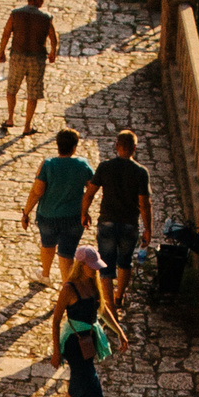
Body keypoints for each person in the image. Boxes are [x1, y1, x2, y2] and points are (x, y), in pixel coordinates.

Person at [47, 244, 120, 397]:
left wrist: (119, 332)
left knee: (77, 383)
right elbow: (56, 319)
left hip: (88, 341)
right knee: (88, 387)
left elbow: (103, 310)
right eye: (91, 266)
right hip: (73, 343)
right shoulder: (69, 288)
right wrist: (56, 351)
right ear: (81, 265)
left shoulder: (93, 283)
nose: (95, 270)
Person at [84, 129, 153, 306]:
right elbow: (144, 203)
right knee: (125, 261)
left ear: (117, 146)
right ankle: (119, 296)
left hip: (107, 221)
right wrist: (148, 228)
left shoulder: (105, 167)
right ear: (134, 149)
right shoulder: (140, 172)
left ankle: (107, 300)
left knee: (105, 262)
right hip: (129, 223)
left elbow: (90, 192)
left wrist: (83, 212)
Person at [20, 128, 96, 284]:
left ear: (57, 145)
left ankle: (45, 275)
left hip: (47, 215)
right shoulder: (83, 164)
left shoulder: (48, 164)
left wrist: (26, 213)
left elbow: (37, 191)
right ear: (75, 146)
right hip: (74, 216)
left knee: (47, 245)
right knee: (66, 254)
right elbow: (91, 189)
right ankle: (66, 288)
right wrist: (85, 210)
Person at [0, 0, 59, 133]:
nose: (43, 1)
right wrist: (52, 53)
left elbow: (6, 33)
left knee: (12, 88)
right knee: (33, 93)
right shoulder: (46, 17)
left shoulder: (16, 14)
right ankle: (27, 126)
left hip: (18, 56)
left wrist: (1, 51)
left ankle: (10, 118)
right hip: (36, 58)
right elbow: (53, 37)